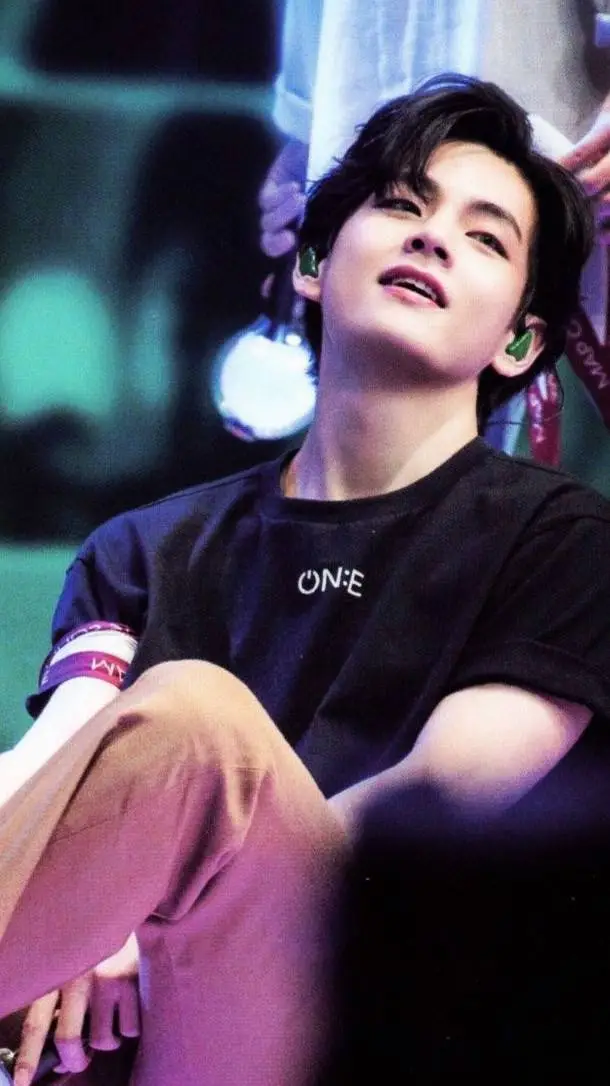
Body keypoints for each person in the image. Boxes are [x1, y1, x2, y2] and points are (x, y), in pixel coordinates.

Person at [2, 74, 610, 1086]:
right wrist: (77, 893)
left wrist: (135, 906)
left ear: (521, 339)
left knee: (199, 726)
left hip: (366, 1005)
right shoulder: (143, 546)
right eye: (404, 205)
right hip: (138, 1039)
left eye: (485, 237)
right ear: (316, 264)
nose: (433, 238)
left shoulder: (563, 542)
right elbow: (52, 765)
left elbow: (440, 800)